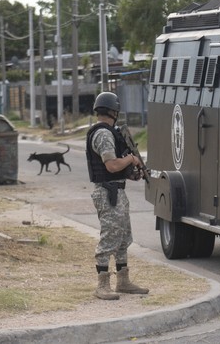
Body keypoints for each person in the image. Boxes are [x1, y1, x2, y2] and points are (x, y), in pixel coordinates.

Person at [86, 91, 149, 300]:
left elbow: (116, 168)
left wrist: (132, 172)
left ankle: (123, 281)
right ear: (114, 111)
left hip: (116, 191)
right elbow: (112, 165)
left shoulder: (110, 132)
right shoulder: (103, 134)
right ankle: (102, 284)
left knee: (123, 237)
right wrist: (131, 159)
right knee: (109, 237)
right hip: (107, 192)